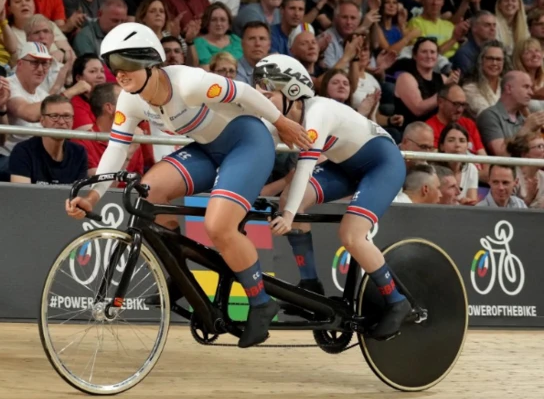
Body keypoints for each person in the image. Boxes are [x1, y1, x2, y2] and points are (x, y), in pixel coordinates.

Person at [65, 23, 311, 348]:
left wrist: (281, 122)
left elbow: (245, 93)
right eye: (114, 67)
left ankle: (261, 303)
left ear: (150, 62)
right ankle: (180, 276)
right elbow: (117, 148)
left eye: (127, 65)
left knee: (218, 226)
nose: (120, 75)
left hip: (247, 143)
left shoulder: (190, 83)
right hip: (206, 148)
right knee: (148, 194)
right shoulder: (130, 100)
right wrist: (93, 196)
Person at [258, 54, 410, 341]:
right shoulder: (284, 118)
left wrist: (289, 216)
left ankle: (397, 301)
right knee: (291, 196)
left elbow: (305, 165)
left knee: (351, 235)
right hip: (345, 166)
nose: (262, 99)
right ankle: (311, 285)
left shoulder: (318, 112)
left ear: (292, 92)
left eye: (268, 92)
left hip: (382, 164)